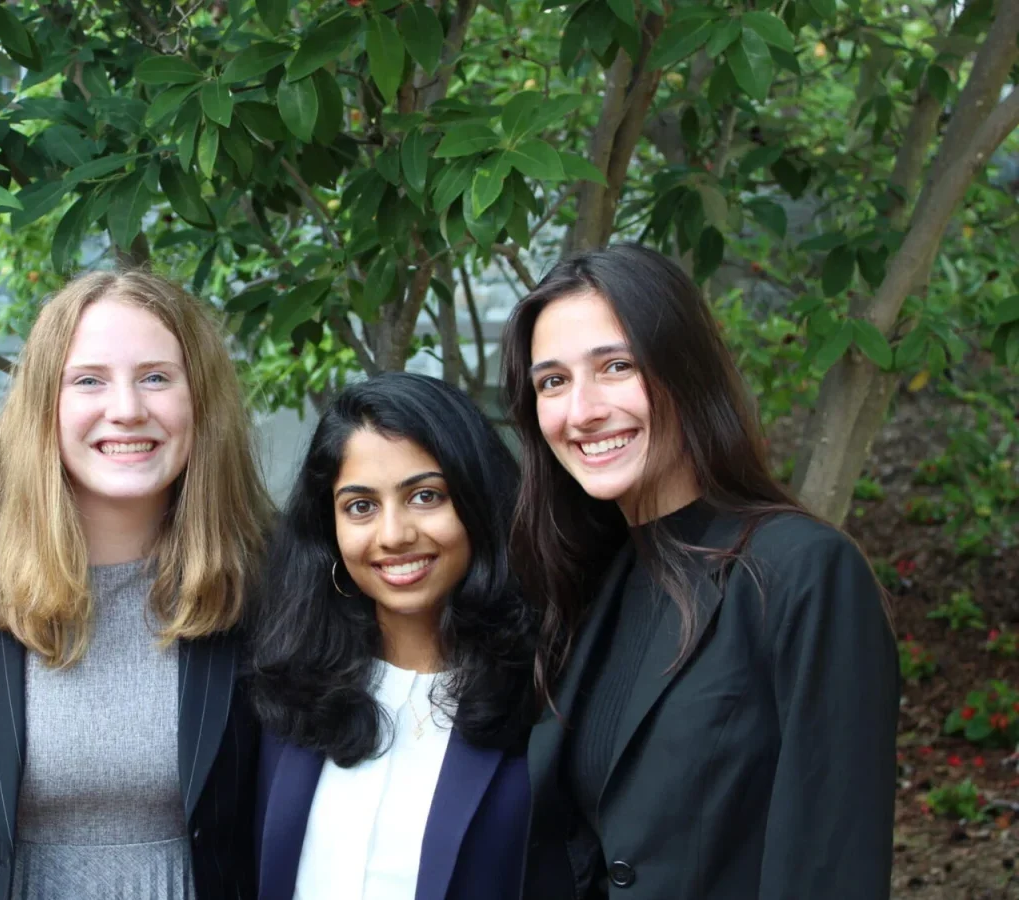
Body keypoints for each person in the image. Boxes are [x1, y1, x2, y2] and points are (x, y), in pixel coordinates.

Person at [500, 244, 898, 899]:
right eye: (553, 382)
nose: (583, 411)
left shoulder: (802, 573)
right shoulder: (586, 581)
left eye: (617, 366)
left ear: (685, 370)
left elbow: (829, 869)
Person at [0, 270, 273, 900]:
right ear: (46, 404)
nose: (126, 409)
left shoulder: (266, 584)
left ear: (199, 398)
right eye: (89, 380)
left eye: (156, 377)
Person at [250, 372, 540, 900]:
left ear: (478, 503)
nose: (393, 535)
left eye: (426, 496)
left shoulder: (548, 695)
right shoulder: (286, 691)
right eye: (360, 506)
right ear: (329, 529)